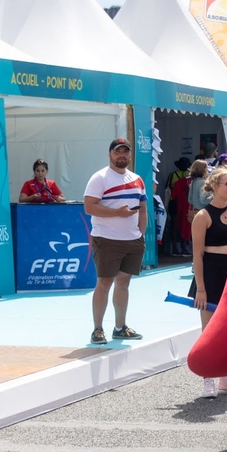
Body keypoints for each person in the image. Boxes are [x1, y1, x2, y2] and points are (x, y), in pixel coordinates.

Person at [190, 168, 227, 400]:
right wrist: (201, 289)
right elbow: (196, 256)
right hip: (211, 273)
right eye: (226, 183)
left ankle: (225, 378)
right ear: (214, 186)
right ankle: (208, 379)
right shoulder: (203, 216)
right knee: (209, 331)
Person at [84, 139, 147, 345]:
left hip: (133, 240)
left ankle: (120, 328)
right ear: (109, 154)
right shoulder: (99, 178)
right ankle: (98, 329)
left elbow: (143, 209)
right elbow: (89, 207)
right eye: (117, 152)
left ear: (130, 155)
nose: (122, 155)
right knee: (104, 283)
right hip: (107, 239)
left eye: (125, 152)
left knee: (124, 283)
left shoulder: (137, 179)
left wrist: (140, 233)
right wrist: (117, 214)